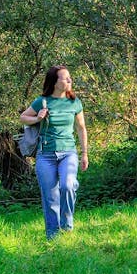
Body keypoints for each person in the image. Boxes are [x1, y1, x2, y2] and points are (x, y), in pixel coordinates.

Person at [20, 65, 88, 240]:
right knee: (50, 198)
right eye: (65, 78)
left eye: (69, 77)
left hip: (68, 153)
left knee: (67, 185)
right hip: (46, 155)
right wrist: (37, 118)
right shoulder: (42, 101)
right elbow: (23, 117)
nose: (69, 80)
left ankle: (67, 226)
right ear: (55, 82)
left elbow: (81, 129)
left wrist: (84, 153)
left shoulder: (75, 102)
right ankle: (53, 237)